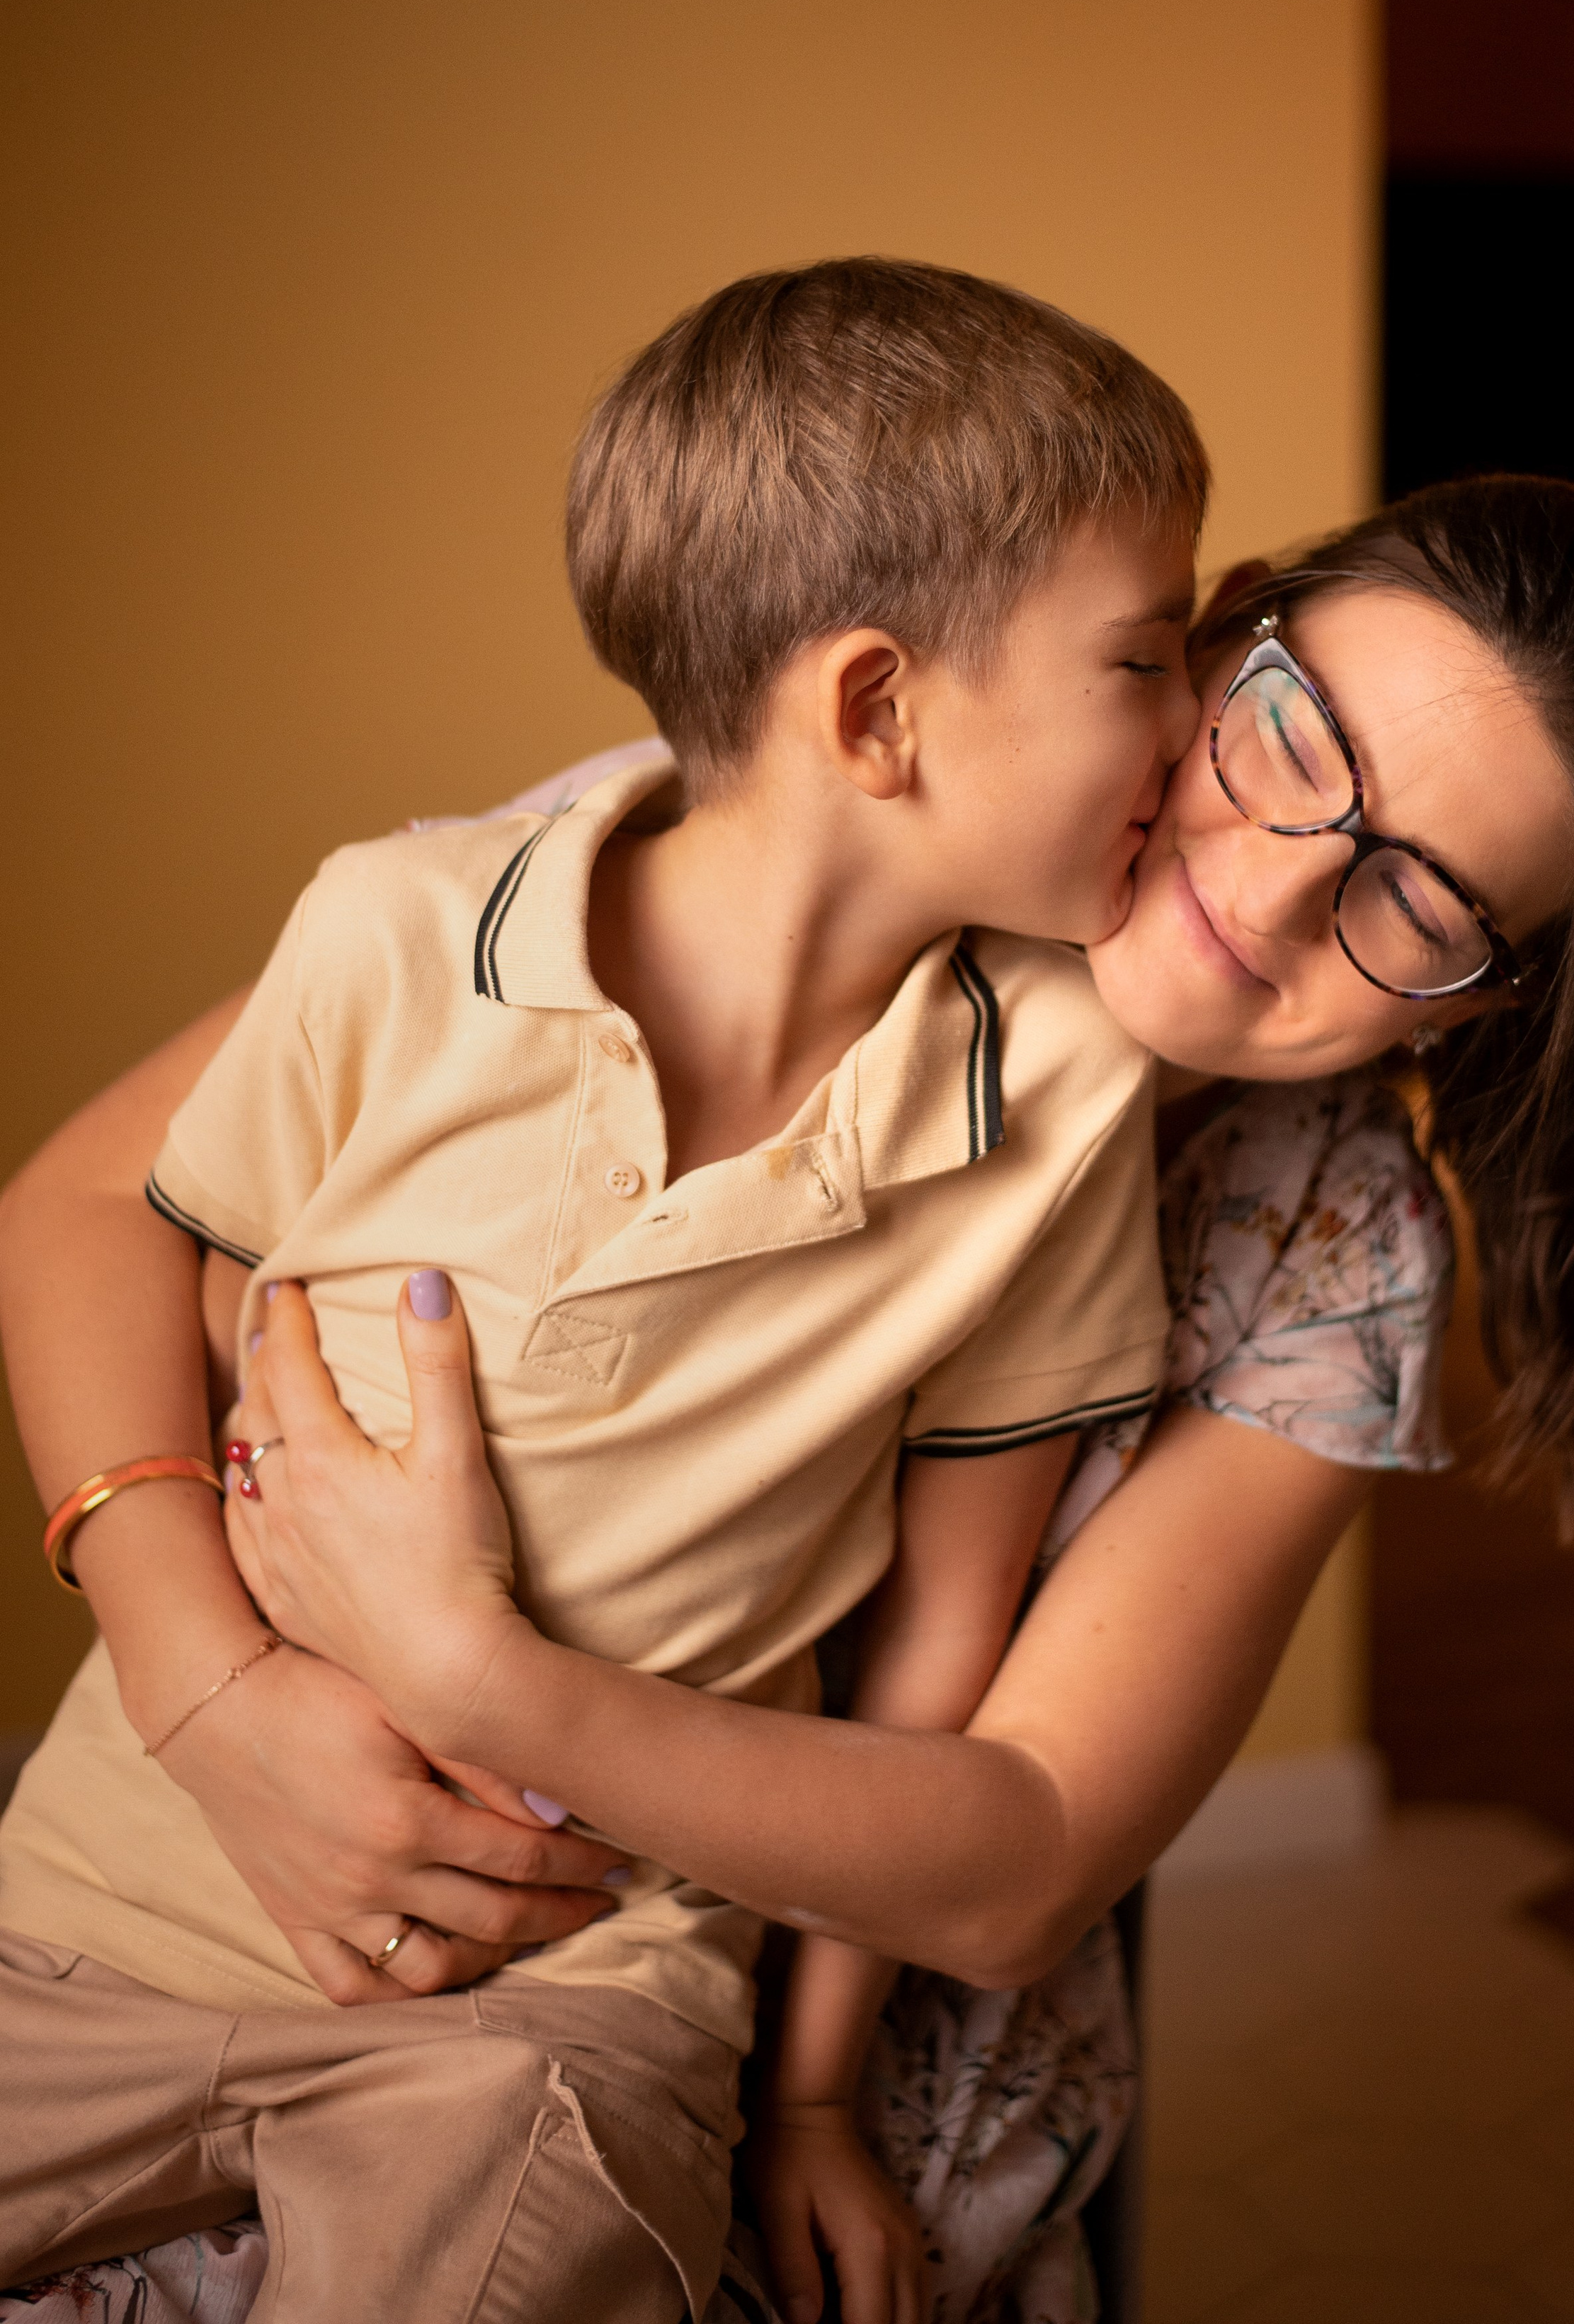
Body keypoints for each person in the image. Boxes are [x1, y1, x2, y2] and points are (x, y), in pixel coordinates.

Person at [0, 475, 1574, 2324]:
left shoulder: (1325, 1243)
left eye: (1421, 902)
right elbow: (105, 1206)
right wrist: (211, 1694)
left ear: (1468, 1009)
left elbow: (1023, 1856)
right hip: (213, 1845)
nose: (1274, 881)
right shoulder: (746, 856)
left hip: (715, 2009)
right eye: (1285, 732)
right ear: (1210, 634)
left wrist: (475, 1677)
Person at [0, 258, 1207, 2323]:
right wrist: (215, 1674)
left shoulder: (1069, 1089)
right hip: (104, 1898)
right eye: (1147, 661)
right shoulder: (392, 934)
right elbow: (141, 1246)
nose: (1187, 738)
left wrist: (813, 2097)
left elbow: (943, 1636)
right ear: (876, 708)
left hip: (563, 1998)